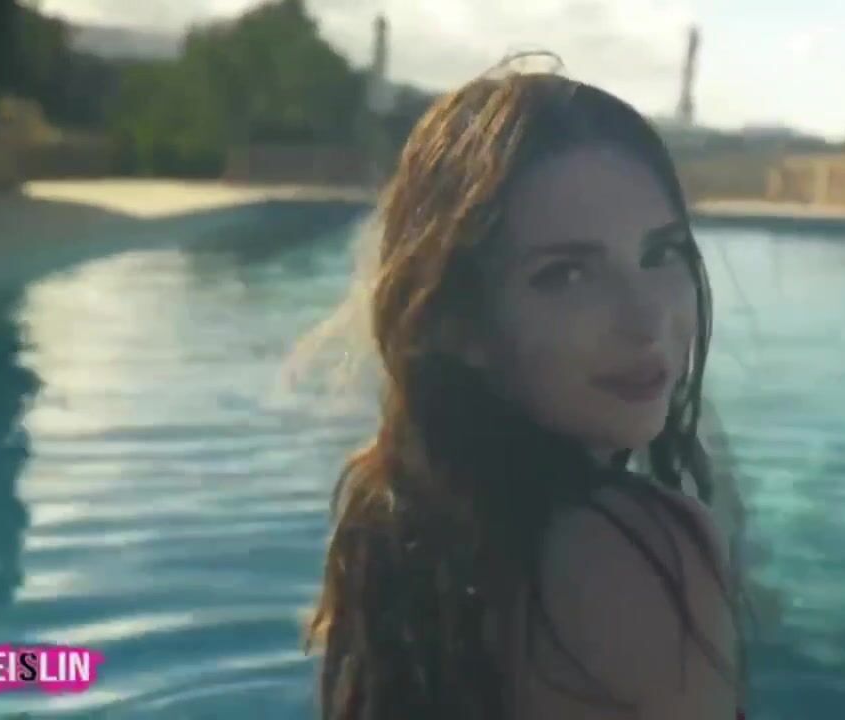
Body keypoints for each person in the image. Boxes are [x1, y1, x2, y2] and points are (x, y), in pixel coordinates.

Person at [298, 54, 749, 720]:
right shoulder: (641, 552)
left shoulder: (389, 526)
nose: (647, 320)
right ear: (459, 323)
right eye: (567, 275)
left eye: (661, 254)